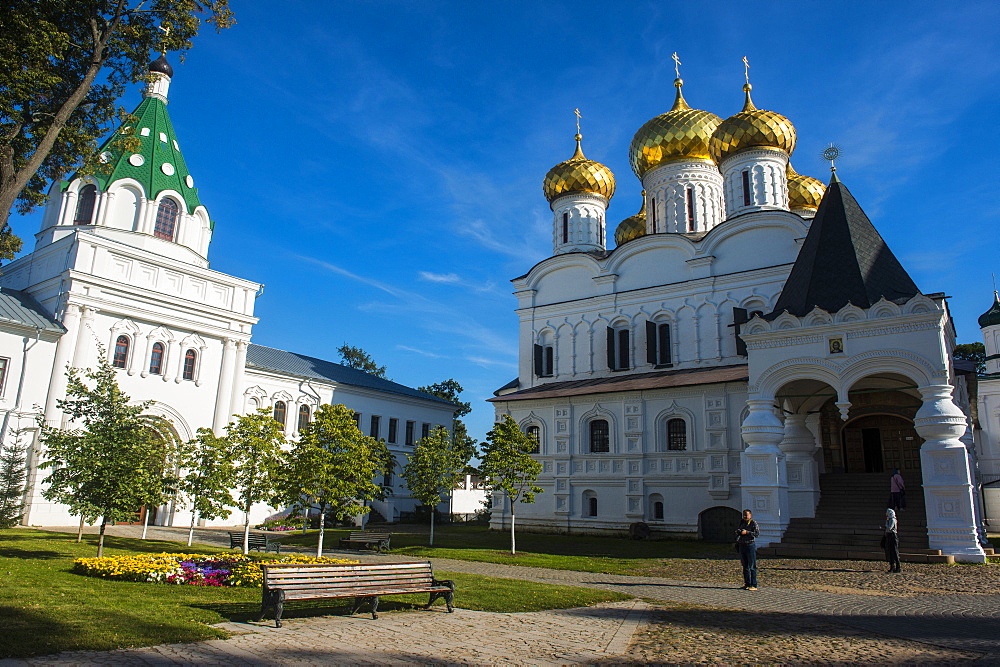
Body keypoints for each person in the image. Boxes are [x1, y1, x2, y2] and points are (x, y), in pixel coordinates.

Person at [735, 509, 759, 590]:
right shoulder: (742, 522)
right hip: (742, 545)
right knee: (745, 566)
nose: (745, 517)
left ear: (750, 515)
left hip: (750, 545)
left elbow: (756, 534)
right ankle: (747, 583)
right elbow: (738, 530)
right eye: (744, 515)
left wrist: (747, 532)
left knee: (752, 566)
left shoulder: (753, 523)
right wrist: (738, 532)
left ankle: (754, 584)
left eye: (747, 515)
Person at [884, 508, 901, 573]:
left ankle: (898, 566)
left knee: (894, 551)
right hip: (889, 536)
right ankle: (892, 566)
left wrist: (886, 525)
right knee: (890, 551)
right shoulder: (889, 519)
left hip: (893, 536)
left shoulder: (893, 520)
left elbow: (889, 528)